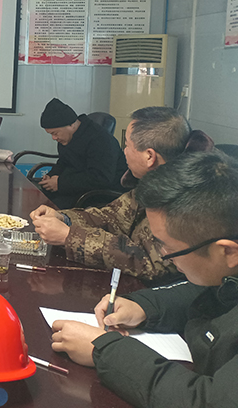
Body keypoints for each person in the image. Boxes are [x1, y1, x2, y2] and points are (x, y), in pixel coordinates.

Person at [49, 150, 238, 408]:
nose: (163, 255)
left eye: (168, 248)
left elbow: (207, 402)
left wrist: (104, 350)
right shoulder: (226, 267)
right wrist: (143, 306)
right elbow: (212, 292)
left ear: (228, 252)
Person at [31, 106, 212, 282]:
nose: (124, 152)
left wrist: (69, 237)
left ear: (149, 156)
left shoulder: (189, 202)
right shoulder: (153, 182)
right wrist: (64, 218)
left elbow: (151, 264)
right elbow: (113, 216)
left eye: (127, 145)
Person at [36, 98, 127, 209]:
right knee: (38, 197)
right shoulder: (67, 137)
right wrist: (50, 176)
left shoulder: (100, 139)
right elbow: (63, 162)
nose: (54, 138)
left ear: (71, 125)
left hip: (101, 193)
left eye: (55, 133)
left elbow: (101, 178)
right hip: (77, 185)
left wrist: (60, 183)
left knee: (50, 209)